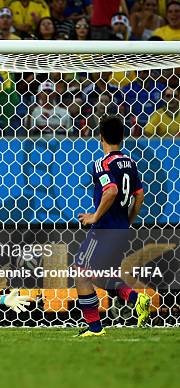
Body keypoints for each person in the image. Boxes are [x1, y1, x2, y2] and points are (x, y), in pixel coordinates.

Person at [74, 115, 149, 337]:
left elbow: (112, 190)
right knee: (100, 276)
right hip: (120, 229)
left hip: (104, 229)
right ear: (123, 137)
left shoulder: (102, 163)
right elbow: (140, 195)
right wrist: (128, 221)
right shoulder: (131, 163)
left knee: (79, 272)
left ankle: (95, 328)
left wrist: (95, 217)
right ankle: (137, 298)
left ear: (101, 137)